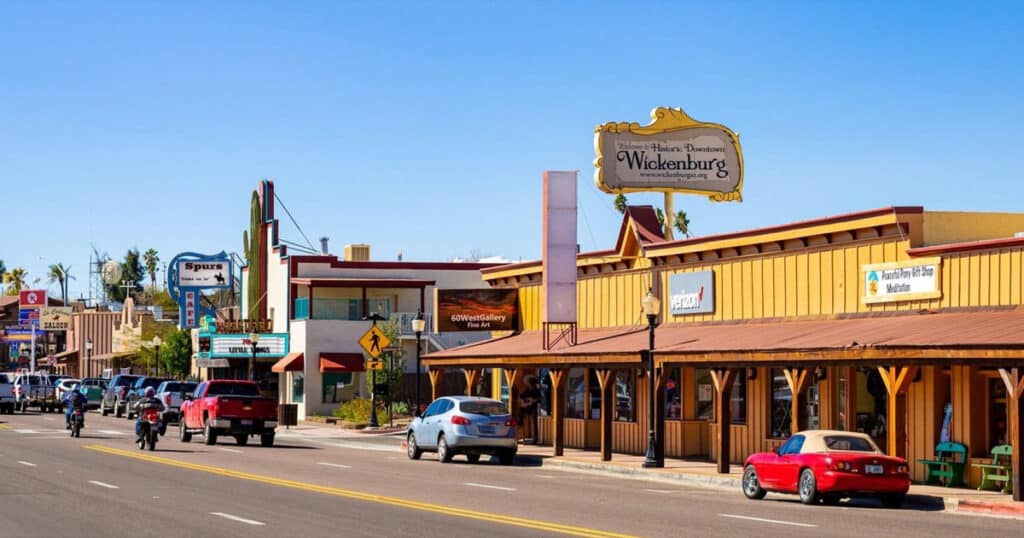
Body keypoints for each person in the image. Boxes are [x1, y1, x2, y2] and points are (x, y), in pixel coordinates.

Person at [518, 376, 541, 444]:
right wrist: (525, 400)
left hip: (533, 408)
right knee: (520, 413)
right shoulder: (527, 389)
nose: (529, 385)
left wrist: (534, 400)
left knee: (534, 423)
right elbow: (521, 396)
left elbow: (539, 399)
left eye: (530, 383)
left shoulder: (536, 390)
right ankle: (519, 427)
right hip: (526, 407)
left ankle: (535, 439)